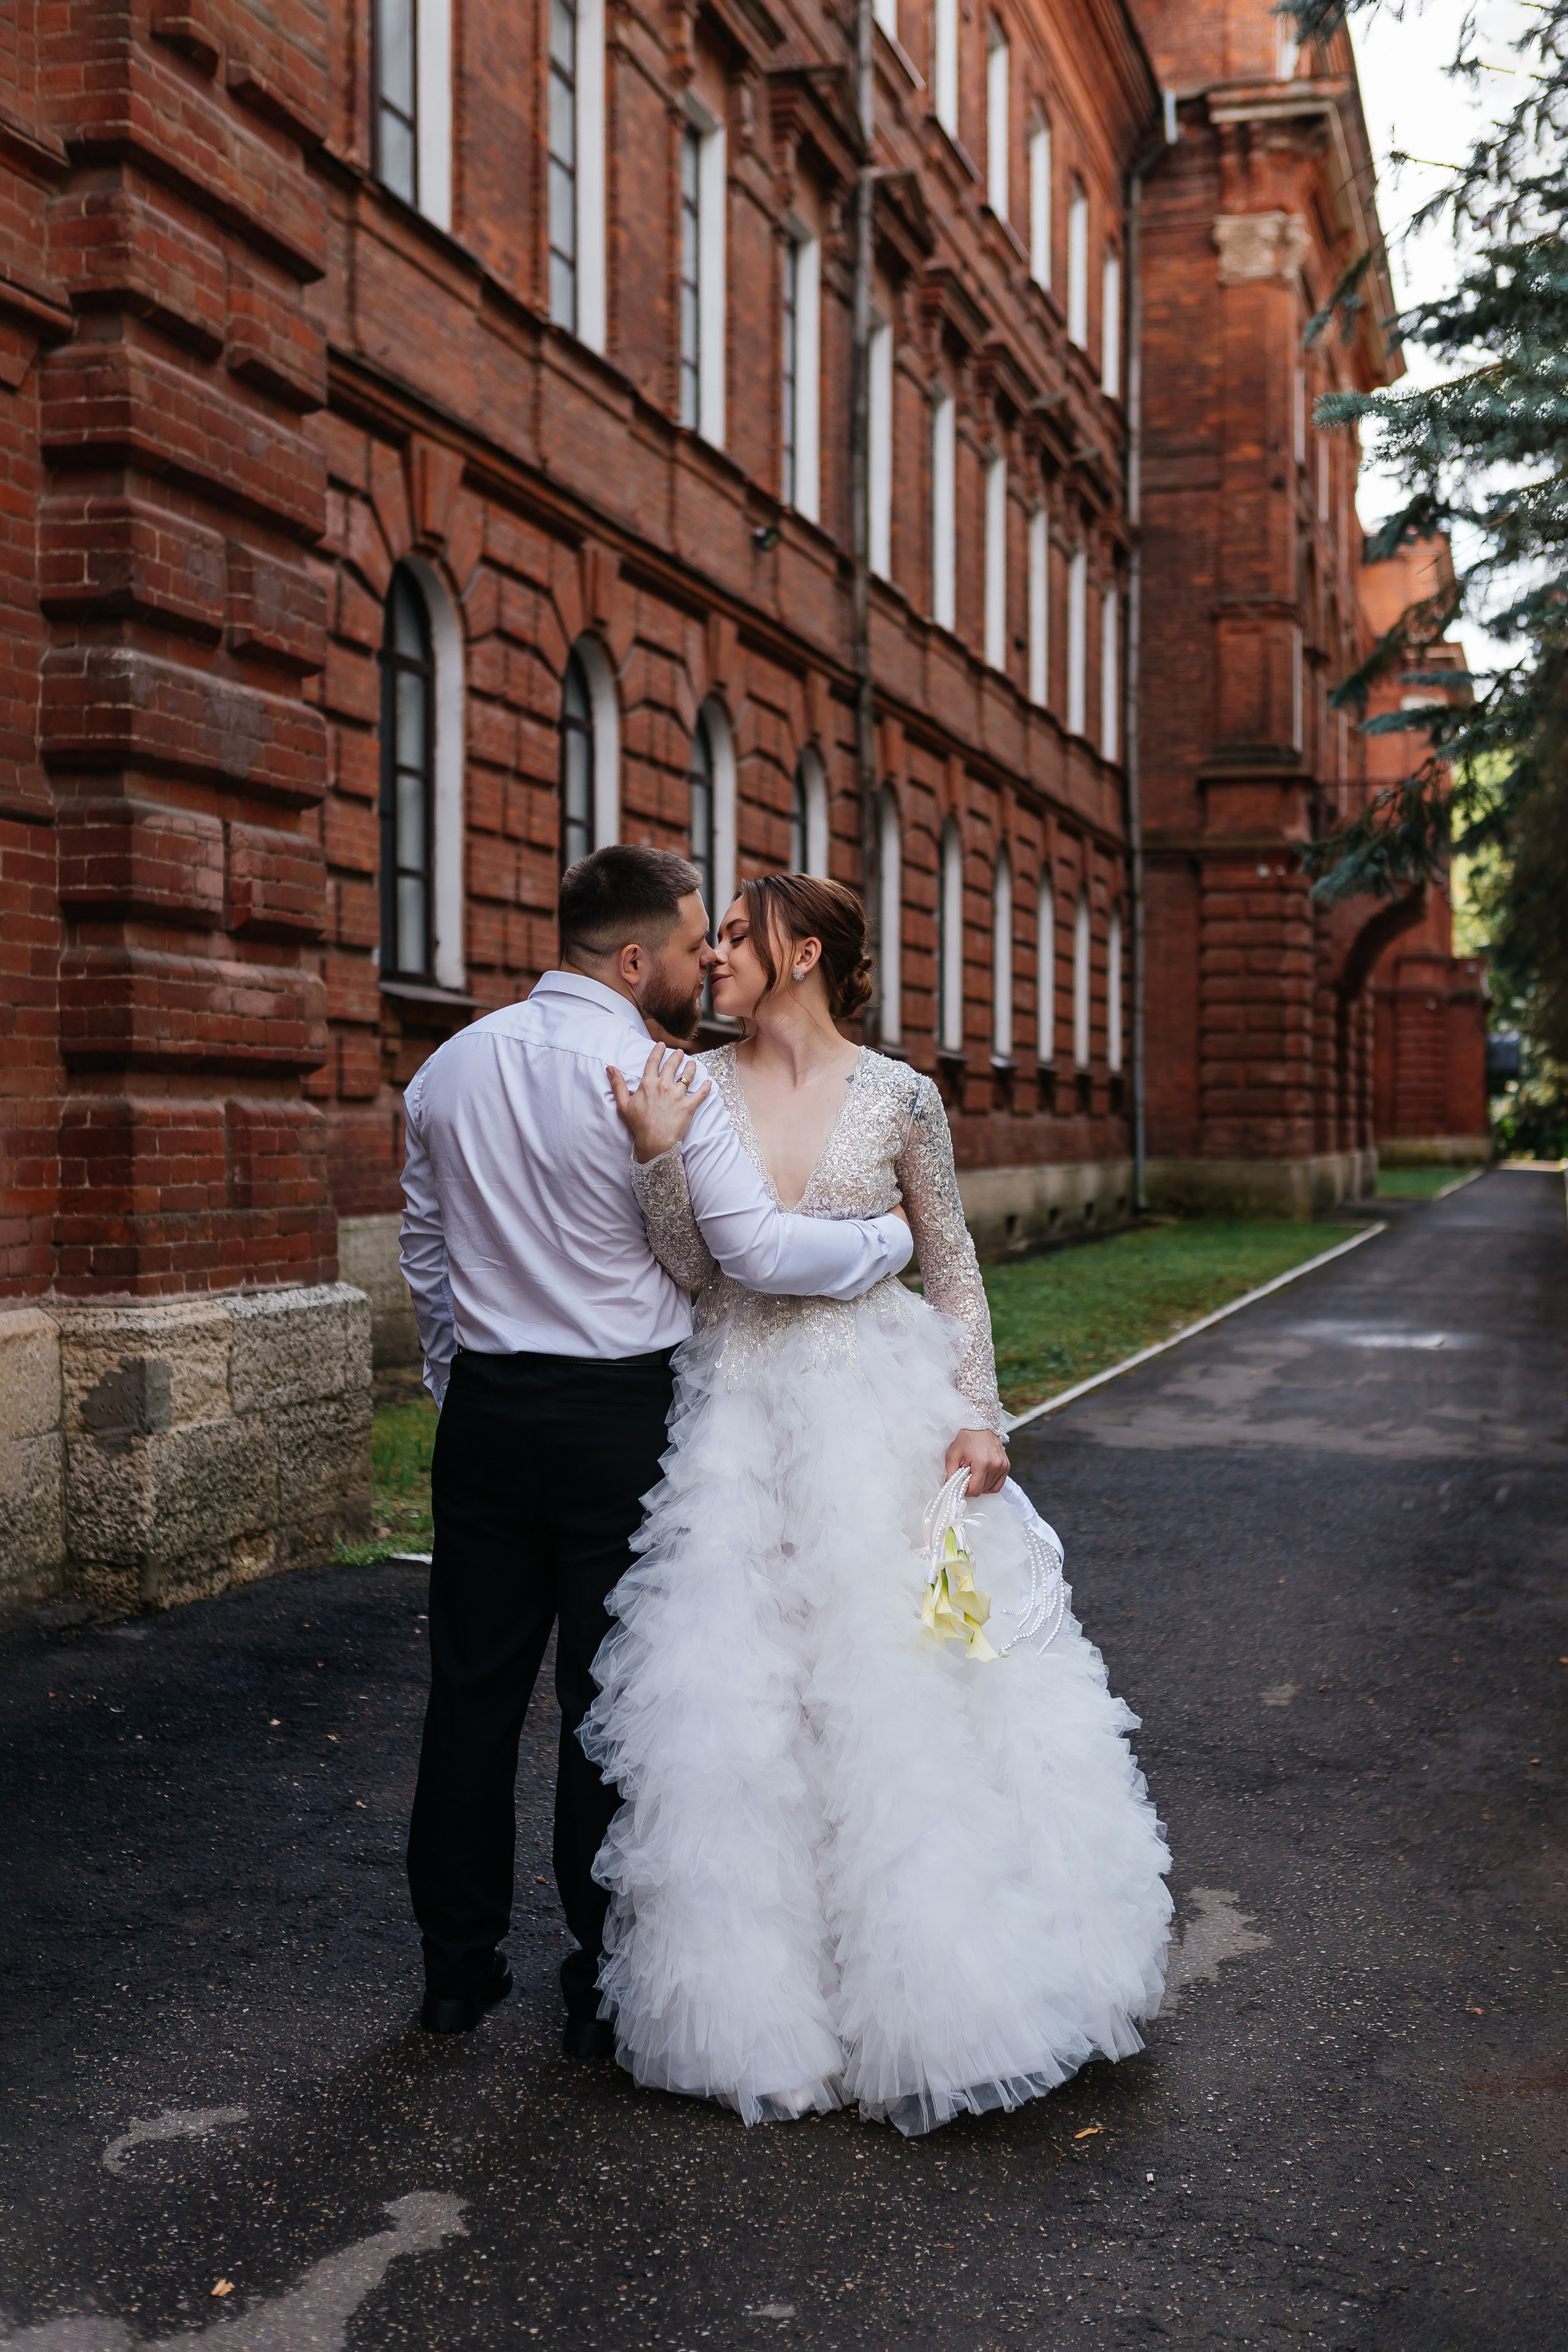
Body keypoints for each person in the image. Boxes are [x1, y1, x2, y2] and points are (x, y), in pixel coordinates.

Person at [582, 873, 1172, 2134]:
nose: (711, 957)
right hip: (737, 1426)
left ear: (799, 952)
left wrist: (978, 1416)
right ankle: (762, 2019)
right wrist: (655, 1164)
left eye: (733, 935)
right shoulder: (699, 1088)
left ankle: (939, 1999)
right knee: (748, 1714)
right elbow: (694, 1275)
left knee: (897, 1694)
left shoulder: (900, 1096)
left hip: (879, 1418)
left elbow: (952, 1270)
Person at [398, 846, 916, 2045]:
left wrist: (455, 1384)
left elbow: (425, 1257)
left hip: (485, 1413)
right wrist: (888, 1245)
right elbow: (759, 1255)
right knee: (611, 1698)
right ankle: (597, 1979)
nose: (707, 964)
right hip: (617, 1417)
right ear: (631, 961)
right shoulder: (659, 1078)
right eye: (693, 946)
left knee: (468, 1695)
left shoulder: (445, 1070)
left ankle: (454, 1969)